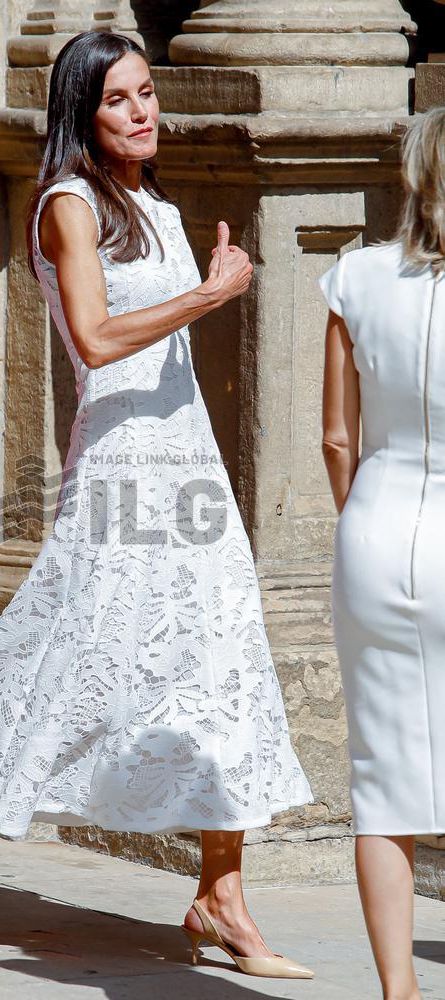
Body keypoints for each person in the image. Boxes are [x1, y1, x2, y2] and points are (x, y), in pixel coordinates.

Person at [0, 32, 313, 975]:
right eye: (121, 99)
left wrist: (203, 286)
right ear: (82, 112)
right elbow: (92, 337)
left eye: (148, 94)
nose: (144, 111)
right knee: (76, 662)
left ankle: (222, 899)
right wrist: (209, 298)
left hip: (189, 464)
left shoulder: (153, 206)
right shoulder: (69, 205)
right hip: (121, 467)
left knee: (221, 654)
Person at [320, 107, 445, 1000]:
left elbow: (336, 438)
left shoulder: (356, 276)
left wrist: (362, 517)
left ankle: (398, 992)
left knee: (383, 783)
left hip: (376, 531)